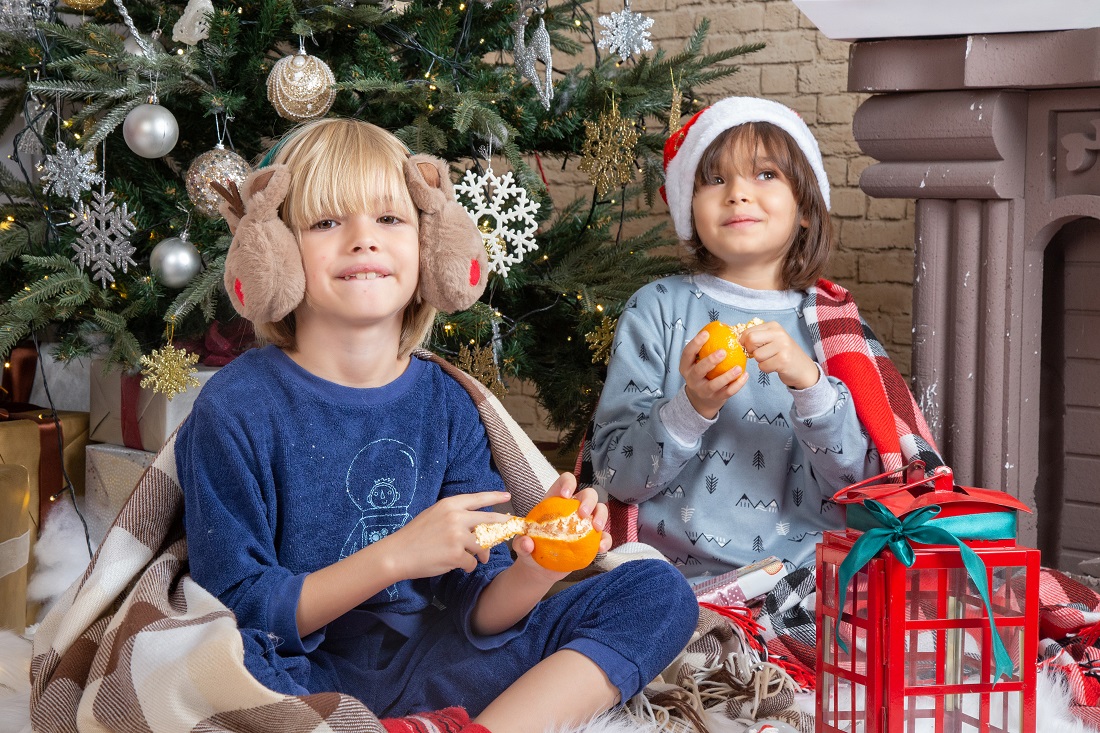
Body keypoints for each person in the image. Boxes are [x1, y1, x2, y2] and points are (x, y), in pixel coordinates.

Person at [176, 118, 698, 733]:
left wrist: (537, 567)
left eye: (390, 220)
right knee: (214, 672)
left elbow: (478, 610)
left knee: (658, 594)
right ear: (279, 256)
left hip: (435, 667)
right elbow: (235, 609)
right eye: (325, 222)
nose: (362, 241)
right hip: (299, 678)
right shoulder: (235, 408)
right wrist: (393, 558)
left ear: (431, 248)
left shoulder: (446, 404)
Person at [592, 96, 910, 582]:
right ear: (688, 209)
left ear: (805, 209)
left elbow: (870, 484)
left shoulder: (833, 325)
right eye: (715, 179)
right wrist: (690, 407)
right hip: (672, 581)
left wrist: (811, 386)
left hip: (808, 582)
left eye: (765, 175)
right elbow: (617, 477)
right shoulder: (656, 310)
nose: (737, 193)